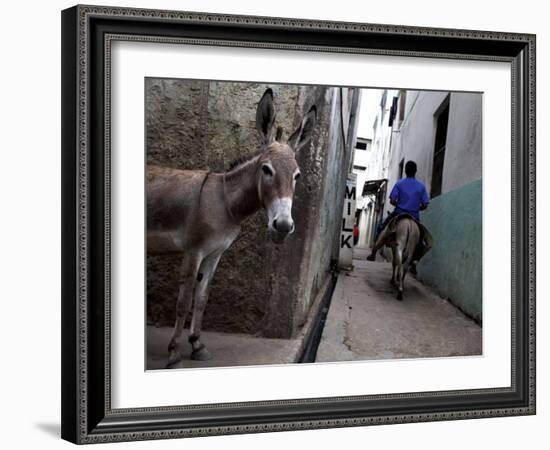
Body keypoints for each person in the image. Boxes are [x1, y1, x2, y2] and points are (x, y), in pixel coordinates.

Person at [366, 161, 430, 272]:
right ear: (415, 172)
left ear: (405, 171)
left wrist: (400, 204)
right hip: (414, 216)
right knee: (424, 240)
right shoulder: (421, 186)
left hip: (399, 213)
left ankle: (374, 252)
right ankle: (415, 261)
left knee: (382, 228)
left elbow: (392, 200)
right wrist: (416, 208)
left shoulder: (399, 184)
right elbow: (425, 205)